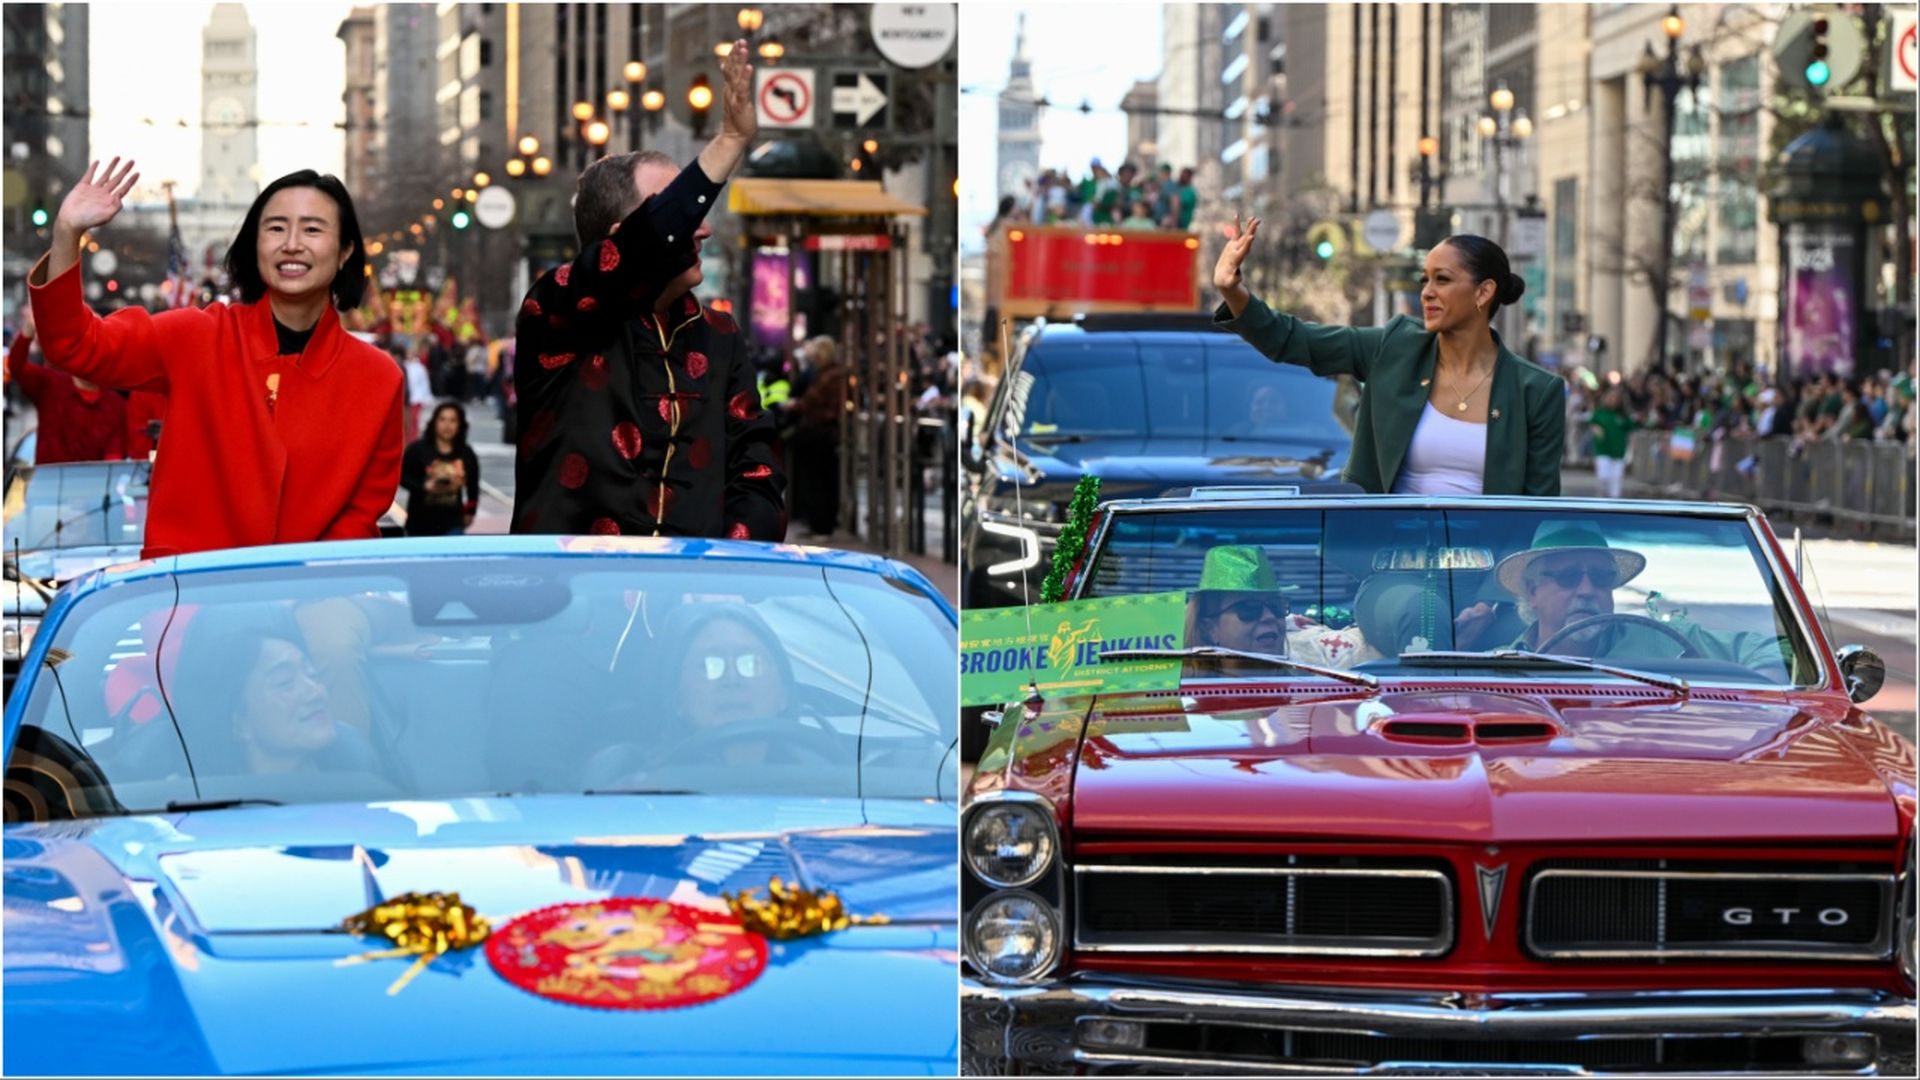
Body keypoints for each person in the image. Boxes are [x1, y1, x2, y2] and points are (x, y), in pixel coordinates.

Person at [27, 159, 402, 559]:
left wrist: (306, 596)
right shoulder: (196, 336)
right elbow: (76, 345)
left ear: (345, 251)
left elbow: (360, 515)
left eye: (312, 229)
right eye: (275, 227)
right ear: (254, 245)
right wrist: (68, 232)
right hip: (189, 598)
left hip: (310, 603)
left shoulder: (378, 378)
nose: (292, 243)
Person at [511, 41, 784, 540]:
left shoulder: (720, 335)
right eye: (683, 214)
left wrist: (727, 574)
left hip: (691, 602)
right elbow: (653, 239)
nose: (700, 229)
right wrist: (727, 141)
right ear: (618, 236)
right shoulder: (554, 309)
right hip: (572, 598)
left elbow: (757, 469)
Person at [1214, 223, 1564, 495]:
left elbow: (1538, 509)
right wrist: (1234, 291)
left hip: (1490, 571)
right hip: (1393, 559)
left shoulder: (1536, 390)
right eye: (1425, 279)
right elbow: (1294, 340)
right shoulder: (1394, 348)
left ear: (1484, 292)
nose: (1426, 291)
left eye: (1442, 280)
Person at [1495, 522, 1786, 671]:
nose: (1586, 590)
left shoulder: (1662, 639)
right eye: (1569, 577)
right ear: (1533, 592)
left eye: (1601, 578)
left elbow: (1780, 650)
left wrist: (1767, 681)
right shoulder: (1496, 667)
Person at [2, 314, 127, 463]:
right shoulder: (51, 383)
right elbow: (16, 367)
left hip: (93, 483)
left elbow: (113, 457)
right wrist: (27, 332)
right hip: (49, 482)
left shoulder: (115, 405)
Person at [789, 336, 847, 538]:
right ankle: (818, 524)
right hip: (819, 431)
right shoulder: (825, 373)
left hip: (820, 432)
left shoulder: (830, 376)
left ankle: (822, 525)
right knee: (817, 480)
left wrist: (794, 405)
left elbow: (812, 400)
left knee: (820, 480)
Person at [401, 401, 480, 536]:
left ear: (460, 425)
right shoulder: (417, 450)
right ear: (434, 422)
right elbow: (402, 477)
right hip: (420, 522)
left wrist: (470, 512)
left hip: (452, 522)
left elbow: (473, 485)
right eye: (442, 419)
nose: (447, 425)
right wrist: (423, 486)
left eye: (453, 420)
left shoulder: (466, 453)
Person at [1588, 386, 1636, 499]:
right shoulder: (1600, 412)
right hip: (1603, 449)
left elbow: (1631, 431)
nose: (1613, 400)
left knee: (1616, 479)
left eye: (1616, 398)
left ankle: (1614, 503)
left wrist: (1632, 449)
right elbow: (1592, 424)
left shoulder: (1623, 416)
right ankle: (1601, 499)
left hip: (1619, 450)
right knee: (1603, 477)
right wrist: (1596, 429)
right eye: (1611, 398)